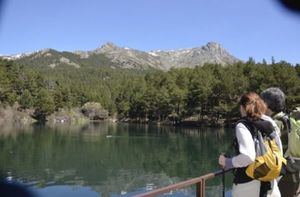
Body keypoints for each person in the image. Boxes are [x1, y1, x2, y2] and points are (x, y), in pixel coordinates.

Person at [219, 92, 282, 197]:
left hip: (248, 187)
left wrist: (227, 162)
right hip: (270, 184)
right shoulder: (269, 122)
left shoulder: (242, 125)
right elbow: (279, 151)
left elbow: (248, 156)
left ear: (242, 108)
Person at [261, 87, 300, 197]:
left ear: (267, 105)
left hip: (283, 176)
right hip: (293, 171)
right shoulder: (287, 118)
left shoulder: (275, 123)